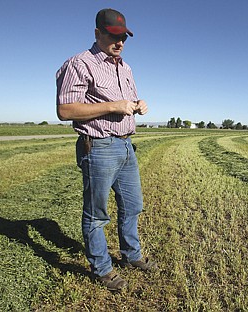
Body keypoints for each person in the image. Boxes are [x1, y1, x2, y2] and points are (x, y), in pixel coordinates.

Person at [56, 8, 157, 292]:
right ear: (97, 32)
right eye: (113, 36)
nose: (120, 42)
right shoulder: (79, 64)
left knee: (133, 205)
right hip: (98, 147)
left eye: (123, 37)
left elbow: (127, 99)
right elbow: (65, 110)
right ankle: (101, 268)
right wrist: (112, 106)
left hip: (126, 146)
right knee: (97, 214)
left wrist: (138, 104)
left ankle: (131, 255)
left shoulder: (124, 67)